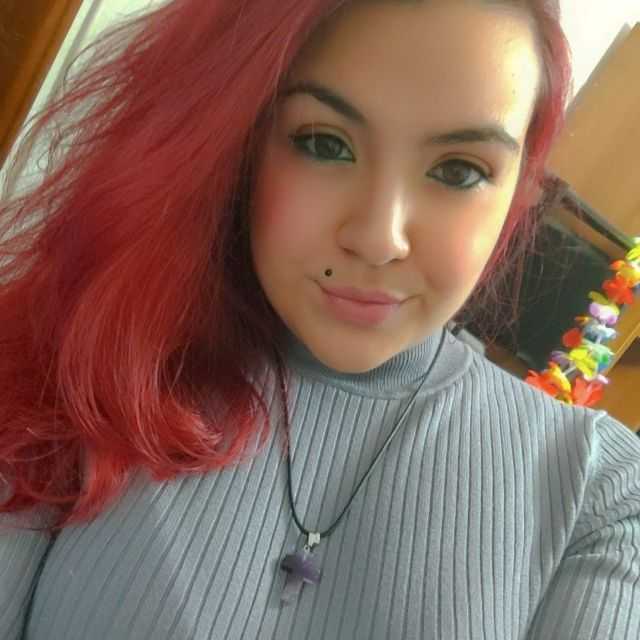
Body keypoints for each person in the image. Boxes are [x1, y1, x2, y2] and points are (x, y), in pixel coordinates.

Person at [1, 0, 639, 638]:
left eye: (459, 170)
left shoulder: (605, 497)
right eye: (323, 143)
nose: (379, 239)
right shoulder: (76, 360)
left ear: (520, 189)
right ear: (233, 142)